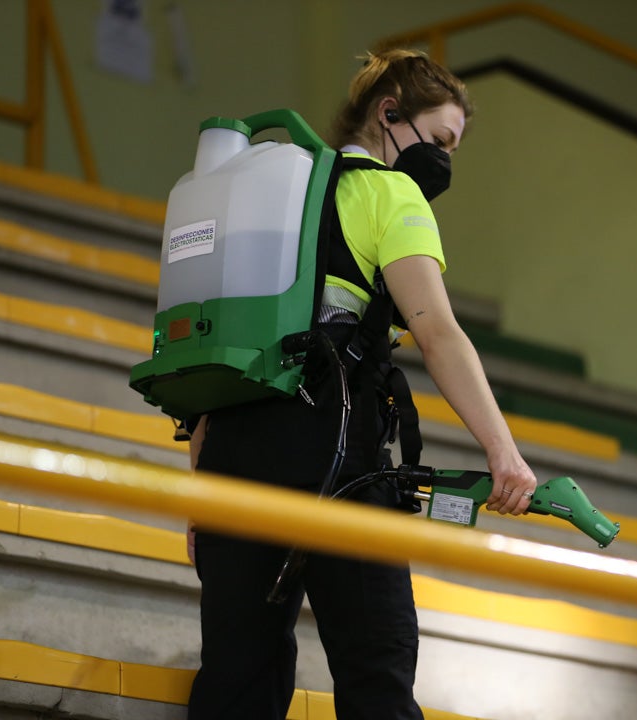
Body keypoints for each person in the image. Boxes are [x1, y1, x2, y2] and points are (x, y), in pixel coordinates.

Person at [185, 48, 538, 720]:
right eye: (439, 139)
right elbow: (437, 334)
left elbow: (220, 347)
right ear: (389, 113)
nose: (444, 160)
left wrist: (203, 483)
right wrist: (503, 451)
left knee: (236, 683)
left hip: (235, 457)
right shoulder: (386, 192)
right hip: (335, 455)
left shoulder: (268, 196)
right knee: (377, 675)